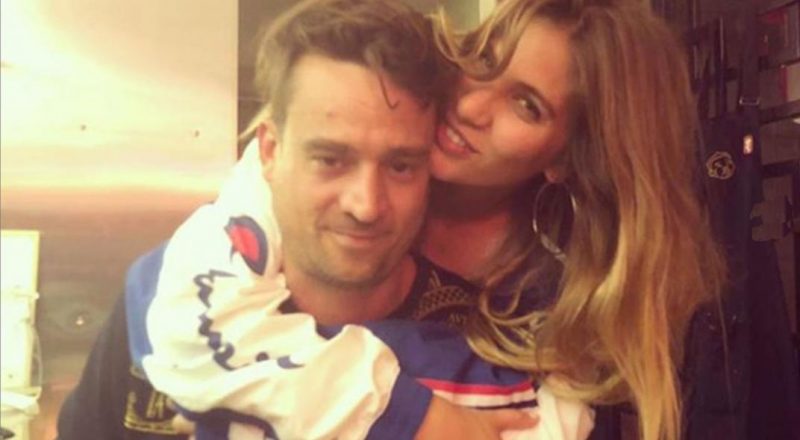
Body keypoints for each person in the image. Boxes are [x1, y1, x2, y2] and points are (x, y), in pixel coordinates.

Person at [58, 1, 593, 439]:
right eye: (330, 159)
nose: (365, 204)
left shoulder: (488, 362)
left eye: (401, 165)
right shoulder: (167, 294)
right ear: (269, 152)